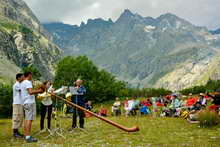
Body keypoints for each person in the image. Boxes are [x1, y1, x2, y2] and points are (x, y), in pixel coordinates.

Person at [21, 72, 44, 143]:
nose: (32, 77)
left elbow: (29, 91)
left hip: (25, 102)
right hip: (29, 103)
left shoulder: (22, 82)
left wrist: (36, 91)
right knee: (29, 119)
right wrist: (39, 91)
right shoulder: (27, 82)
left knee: (26, 119)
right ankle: (28, 137)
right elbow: (30, 92)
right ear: (29, 75)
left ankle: (26, 135)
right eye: (31, 75)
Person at [12, 73, 24, 138]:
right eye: (22, 77)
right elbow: (22, 91)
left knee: (20, 117)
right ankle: (15, 132)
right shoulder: (16, 85)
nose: (23, 78)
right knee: (16, 117)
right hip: (17, 103)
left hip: (20, 103)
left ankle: (17, 131)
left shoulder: (20, 84)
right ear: (18, 78)